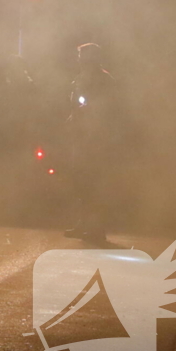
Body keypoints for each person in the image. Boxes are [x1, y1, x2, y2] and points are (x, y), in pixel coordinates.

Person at [64, 42, 117, 243]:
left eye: (82, 56)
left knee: (94, 185)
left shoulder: (103, 79)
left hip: (96, 139)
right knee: (81, 183)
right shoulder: (82, 78)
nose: (79, 60)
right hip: (81, 137)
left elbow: (107, 108)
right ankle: (83, 224)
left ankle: (97, 229)